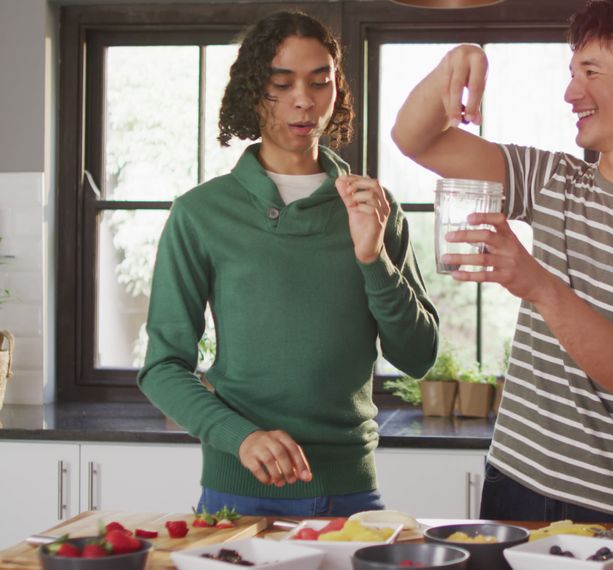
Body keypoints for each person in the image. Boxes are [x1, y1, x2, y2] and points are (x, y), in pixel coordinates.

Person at [391, 0, 613, 522]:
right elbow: (414, 138)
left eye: (591, 72)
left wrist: (539, 284)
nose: (570, 92)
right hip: (513, 482)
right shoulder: (552, 180)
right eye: (571, 72)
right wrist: (457, 62)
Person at [139, 10, 440, 518]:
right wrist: (241, 438)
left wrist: (373, 260)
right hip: (237, 494)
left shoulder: (373, 207)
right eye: (283, 83)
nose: (305, 100)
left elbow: (418, 356)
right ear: (255, 92)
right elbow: (163, 367)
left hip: (351, 495)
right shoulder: (201, 214)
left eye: (320, 82)